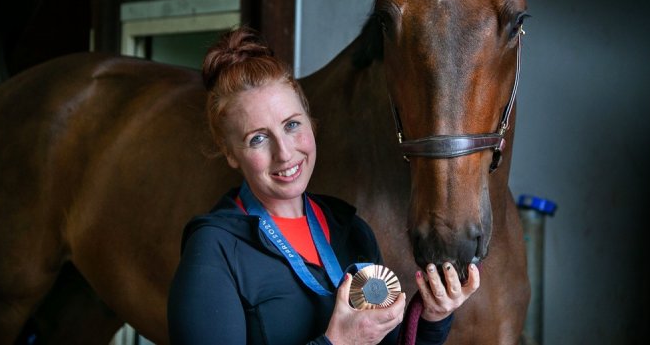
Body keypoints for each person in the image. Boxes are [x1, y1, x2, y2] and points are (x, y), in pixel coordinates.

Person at [167, 26, 480, 345]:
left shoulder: (352, 230)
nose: (285, 153)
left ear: (310, 121)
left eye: (292, 125)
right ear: (230, 153)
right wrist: (337, 343)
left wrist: (432, 318)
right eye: (257, 138)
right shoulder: (213, 249)